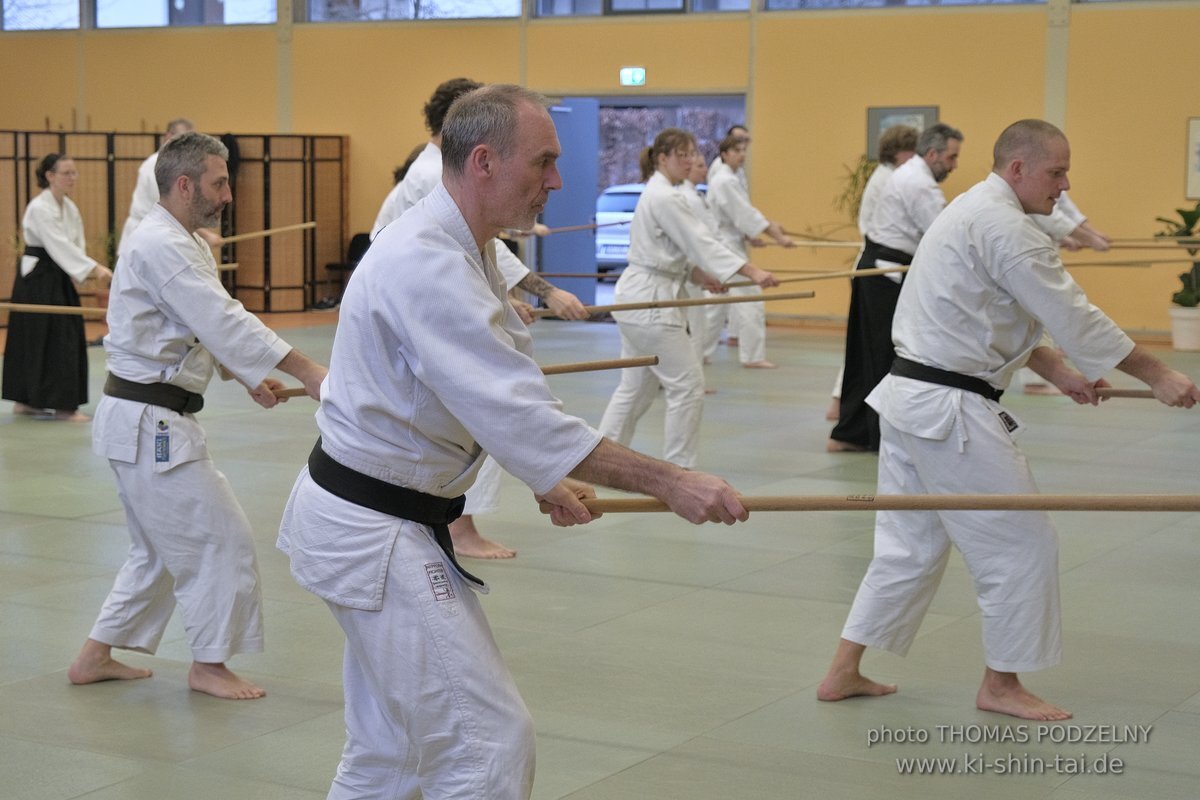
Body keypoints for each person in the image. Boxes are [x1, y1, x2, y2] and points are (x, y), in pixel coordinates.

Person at [276, 85, 750, 799]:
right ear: (487, 162)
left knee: (392, 754)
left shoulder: (473, 251)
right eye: (545, 163)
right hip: (374, 528)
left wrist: (545, 476)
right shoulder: (428, 263)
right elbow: (518, 412)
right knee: (488, 745)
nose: (557, 181)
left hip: (374, 515)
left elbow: (479, 399)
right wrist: (671, 480)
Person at [817, 119, 1200, 721]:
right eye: (1056, 172)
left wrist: (1060, 373)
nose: (1064, 184)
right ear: (1018, 168)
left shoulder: (973, 211)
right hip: (948, 411)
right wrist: (1159, 375)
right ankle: (1000, 684)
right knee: (1023, 544)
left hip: (911, 399)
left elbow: (991, 312)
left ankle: (843, 671)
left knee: (908, 549)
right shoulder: (1003, 227)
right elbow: (1073, 314)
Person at [67, 132, 328, 700]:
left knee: (159, 550)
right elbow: (222, 317)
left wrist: (243, 374)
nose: (228, 194)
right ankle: (209, 664)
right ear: (184, 185)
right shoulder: (162, 245)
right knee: (222, 538)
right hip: (150, 426)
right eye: (219, 182)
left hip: (142, 419)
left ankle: (94, 656)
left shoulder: (179, 241)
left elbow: (195, 328)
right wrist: (308, 369)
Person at [372, 77, 590, 558]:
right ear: (479, 150)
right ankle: (463, 527)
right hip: (380, 512)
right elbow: (506, 405)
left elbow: (480, 252)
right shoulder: (433, 185)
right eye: (542, 162)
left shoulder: (462, 228)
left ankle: (460, 523)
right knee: (475, 404)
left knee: (473, 409)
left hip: (400, 506)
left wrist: (497, 298)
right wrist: (546, 290)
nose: (554, 180)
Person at [598, 129, 778, 468]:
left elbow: (670, 252)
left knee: (636, 389)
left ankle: (602, 461)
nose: (689, 160)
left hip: (644, 294)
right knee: (687, 386)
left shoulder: (665, 194)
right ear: (662, 158)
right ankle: (680, 469)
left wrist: (704, 276)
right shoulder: (664, 197)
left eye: (692, 153)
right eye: (681, 154)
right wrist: (750, 272)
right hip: (649, 302)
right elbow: (700, 242)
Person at [828, 122, 963, 452]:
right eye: (952, 157)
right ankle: (869, 434)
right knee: (884, 356)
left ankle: (855, 432)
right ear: (932, 153)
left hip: (880, 270)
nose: (954, 164)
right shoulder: (919, 183)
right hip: (884, 273)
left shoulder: (910, 175)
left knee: (872, 355)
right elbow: (941, 235)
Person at [3, 154, 113, 421]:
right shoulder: (40, 207)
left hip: (58, 274)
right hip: (37, 279)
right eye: (66, 173)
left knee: (62, 337)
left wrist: (81, 273)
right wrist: (94, 269)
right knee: (41, 338)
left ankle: (54, 402)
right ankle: (39, 402)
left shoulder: (69, 207)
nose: (72, 178)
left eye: (74, 173)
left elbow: (73, 244)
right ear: (50, 176)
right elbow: (57, 245)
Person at [826, 125, 919, 420]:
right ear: (898, 151)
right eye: (911, 151)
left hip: (880, 264)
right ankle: (841, 404)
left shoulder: (889, 177)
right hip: (878, 265)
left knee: (864, 342)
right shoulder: (890, 179)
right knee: (867, 344)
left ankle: (840, 403)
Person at [703, 132, 795, 369]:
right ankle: (752, 356)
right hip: (725, 247)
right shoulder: (724, 180)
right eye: (737, 151)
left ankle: (700, 352)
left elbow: (738, 216)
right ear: (724, 154)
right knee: (750, 297)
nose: (742, 155)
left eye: (744, 150)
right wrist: (775, 234)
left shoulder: (731, 177)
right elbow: (745, 214)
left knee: (716, 303)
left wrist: (751, 235)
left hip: (728, 241)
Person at [117, 118, 221, 261]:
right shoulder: (155, 165)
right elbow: (170, 210)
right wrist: (205, 235)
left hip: (157, 237)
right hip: (143, 238)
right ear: (168, 137)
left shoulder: (177, 167)